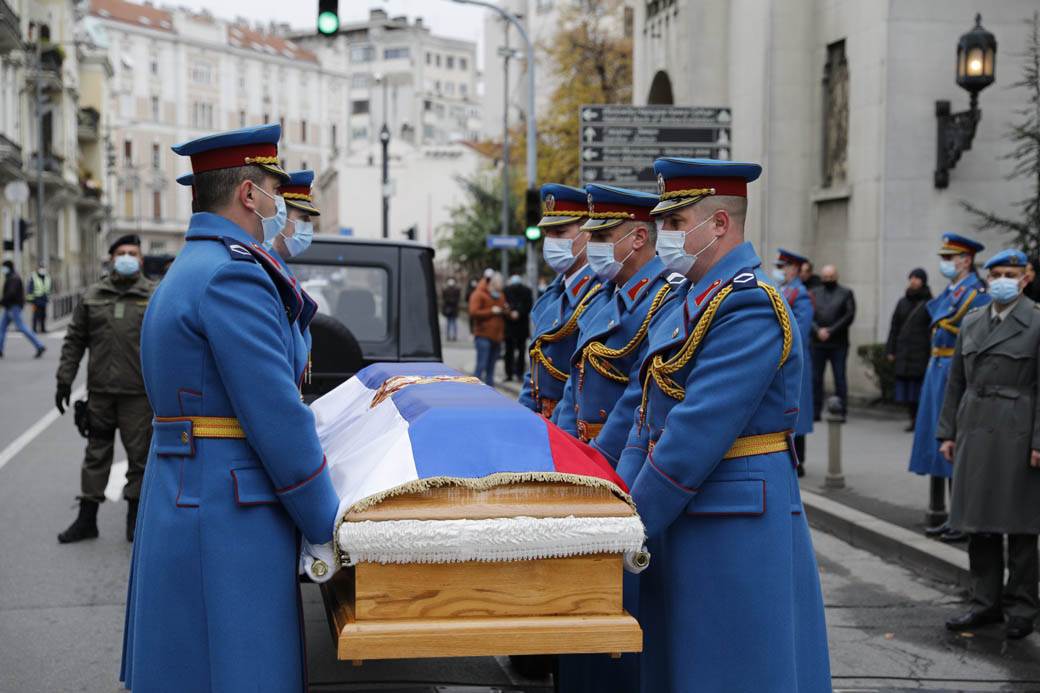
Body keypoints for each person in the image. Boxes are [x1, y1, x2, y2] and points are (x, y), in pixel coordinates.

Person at [121, 124, 341, 692]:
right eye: (273, 187)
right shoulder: (234, 274)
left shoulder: (196, 265)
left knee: (190, 668)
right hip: (227, 504)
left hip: (191, 489)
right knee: (243, 669)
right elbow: (275, 413)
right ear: (249, 194)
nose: (277, 201)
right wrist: (325, 522)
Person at [614, 157, 830, 692]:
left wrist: (634, 521)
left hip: (735, 519)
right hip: (691, 508)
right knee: (685, 665)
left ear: (719, 225)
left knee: (735, 667)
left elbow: (696, 430)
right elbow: (647, 412)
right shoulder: (689, 300)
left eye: (676, 224)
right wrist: (615, 502)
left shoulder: (749, 306)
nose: (665, 236)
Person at [938, 248, 1040, 641]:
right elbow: (956, 383)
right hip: (975, 429)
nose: (1001, 279)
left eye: (1009, 273)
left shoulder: (1035, 321)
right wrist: (947, 432)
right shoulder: (974, 320)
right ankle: (984, 603)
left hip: (1018, 429)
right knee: (977, 523)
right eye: (995, 272)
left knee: (1021, 525)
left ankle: (1022, 607)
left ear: (1025, 277)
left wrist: (1038, 441)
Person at [554, 183, 677, 467]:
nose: (592, 247)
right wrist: (565, 447)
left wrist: (595, 459)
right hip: (584, 453)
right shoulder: (602, 295)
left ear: (639, 237)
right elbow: (575, 386)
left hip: (619, 456)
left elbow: (637, 397)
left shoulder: (663, 299)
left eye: (602, 237)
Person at [54, 234, 155, 543]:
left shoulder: (154, 296)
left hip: (138, 396)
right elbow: (74, 340)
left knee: (139, 458)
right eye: (121, 252)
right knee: (96, 454)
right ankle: (87, 520)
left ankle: (134, 520)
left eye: (132, 253)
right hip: (100, 394)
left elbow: (167, 344)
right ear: (111, 258)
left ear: (140, 260)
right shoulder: (93, 296)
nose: (126, 257)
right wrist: (64, 379)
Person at [909, 233, 989, 542]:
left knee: (955, 443)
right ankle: (948, 514)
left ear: (966, 260)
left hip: (954, 373)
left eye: (948, 258)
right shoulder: (954, 291)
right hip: (937, 370)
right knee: (938, 442)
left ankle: (962, 517)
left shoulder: (975, 293)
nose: (943, 264)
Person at [518, 183, 599, 418]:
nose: (551, 241)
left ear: (587, 233)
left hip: (568, 419)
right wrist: (524, 417)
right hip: (544, 418)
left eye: (560, 233)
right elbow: (535, 370)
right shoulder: (556, 291)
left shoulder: (597, 292)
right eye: (548, 233)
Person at [774, 248, 814, 474]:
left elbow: (801, 328)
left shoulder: (801, 294)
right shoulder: (783, 290)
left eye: (783, 267)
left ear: (795, 269)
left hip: (795, 358)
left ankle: (799, 462)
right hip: (783, 359)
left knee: (799, 411)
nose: (780, 271)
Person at [885, 268, 933, 431]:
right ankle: (912, 418)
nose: (913, 281)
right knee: (906, 391)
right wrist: (890, 350)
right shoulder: (902, 302)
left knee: (918, 389)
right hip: (904, 351)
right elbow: (894, 327)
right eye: (911, 277)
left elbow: (932, 330)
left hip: (921, 352)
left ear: (923, 281)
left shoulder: (929, 303)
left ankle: (919, 420)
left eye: (917, 278)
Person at [810, 264, 856, 420]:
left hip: (838, 344)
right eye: (825, 277)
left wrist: (830, 331)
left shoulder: (846, 293)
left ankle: (841, 411)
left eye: (831, 277)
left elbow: (849, 315)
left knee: (840, 378)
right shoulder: (814, 293)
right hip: (817, 344)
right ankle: (816, 411)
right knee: (816, 379)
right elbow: (808, 314)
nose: (828, 279)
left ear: (836, 277)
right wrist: (818, 330)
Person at [0, 259, 46, 358]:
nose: (2, 269)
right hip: (10, 307)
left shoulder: (13, 278)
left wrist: (2, 301)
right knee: (1, 328)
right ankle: (0, 349)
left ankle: (39, 345)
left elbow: (11, 293)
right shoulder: (12, 277)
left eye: (4, 267)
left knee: (21, 327)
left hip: (13, 307)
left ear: (8, 268)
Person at [468, 271, 506, 386]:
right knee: (481, 365)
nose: (502, 286)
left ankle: (490, 394)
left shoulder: (500, 295)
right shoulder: (478, 294)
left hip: (497, 336)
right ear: (493, 283)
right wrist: (491, 311)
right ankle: (473, 391)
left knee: (491, 368)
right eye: (500, 284)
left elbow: (503, 309)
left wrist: (506, 310)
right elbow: (473, 312)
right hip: (483, 335)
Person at [502, 274, 533, 382]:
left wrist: (514, 312)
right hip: (518, 326)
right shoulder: (527, 291)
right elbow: (529, 306)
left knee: (511, 351)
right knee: (517, 350)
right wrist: (518, 312)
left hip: (514, 326)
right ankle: (516, 373)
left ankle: (510, 373)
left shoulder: (506, 290)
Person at [26, 264, 52, 333]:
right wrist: (30, 299)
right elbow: (30, 288)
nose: (42, 270)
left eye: (43, 268)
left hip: (44, 299)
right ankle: (34, 329)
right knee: (35, 315)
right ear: (38, 269)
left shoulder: (47, 277)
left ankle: (43, 329)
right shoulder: (33, 277)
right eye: (41, 268)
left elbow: (49, 288)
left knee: (43, 315)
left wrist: (48, 297)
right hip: (36, 299)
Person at [441, 277, 461, 341]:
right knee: (450, 323)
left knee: (452, 323)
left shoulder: (455, 290)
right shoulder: (447, 290)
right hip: (450, 309)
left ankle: (452, 336)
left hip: (452, 309)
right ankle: (450, 336)